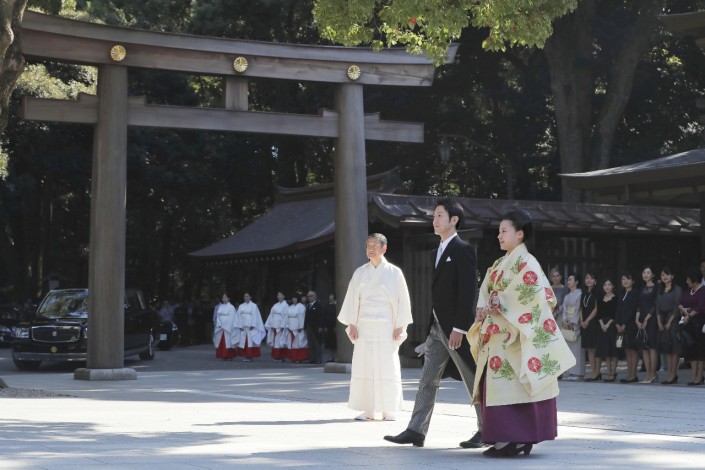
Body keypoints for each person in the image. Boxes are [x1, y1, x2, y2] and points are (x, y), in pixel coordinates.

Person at [468, 209, 574, 457]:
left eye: (504, 231)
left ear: (520, 234)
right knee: (502, 386)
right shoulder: (499, 264)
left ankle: (516, 439)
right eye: (498, 232)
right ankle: (507, 438)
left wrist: (500, 303)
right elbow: (485, 290)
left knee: (518, 383)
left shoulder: (528, 262)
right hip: (498, 334)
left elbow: (537, 296)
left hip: (516, 334)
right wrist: (483, 307)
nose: (499, 236)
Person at [385, 198, 482, 449]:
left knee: (472, 378)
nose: (434, 220)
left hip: (456, 330)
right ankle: (416, 430)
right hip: (437, 328)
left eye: (440, 215)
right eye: (434, 215)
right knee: (427, 379)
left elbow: (468, 292)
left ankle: (487, 428)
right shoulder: (436, 251)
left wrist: (460, 328)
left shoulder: (463, 249)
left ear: (454, 220)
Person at [338, 233, 413, 421]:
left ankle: (389, 409)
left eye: (374, 245)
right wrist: (352, 323)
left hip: (386, 324)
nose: (370, 249)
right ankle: (368, 409)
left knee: (387, 365)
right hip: (364, 325)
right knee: (364, 365)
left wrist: (400, 325)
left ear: (384, 248)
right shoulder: (359, 273)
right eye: (367, 245)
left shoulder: (394, 272)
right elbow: (352, 299)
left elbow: (402, 300)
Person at [678, 267, 705, 385]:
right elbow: (680, 302)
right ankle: (693, 375)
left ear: (694, 279)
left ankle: (700, 375)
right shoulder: (688, 290)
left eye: (688, 279)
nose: (687, 281)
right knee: (691, 350)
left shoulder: (703, 290)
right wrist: (683, 310)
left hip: (698, 323)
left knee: (700, 350)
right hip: (688, 323)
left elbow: (701, 307)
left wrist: (689, 315)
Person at [656, 267, 682, 384]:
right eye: (662, 275)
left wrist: (669, 322)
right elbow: (657, 306)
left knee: (674, 347)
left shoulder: (677, 289)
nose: (665, 277)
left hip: (673, 320)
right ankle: (668, 374)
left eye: (667, 274)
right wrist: (659, 321)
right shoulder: (660, 290)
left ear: (672, 276)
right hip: (662, 319)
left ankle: (673, 373)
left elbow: (676, 306)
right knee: (666, 347)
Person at [557, 273, 583, 380]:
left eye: (571, 280)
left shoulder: (580, 294)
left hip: (575, 323)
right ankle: (570, 372)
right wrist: (564, 321)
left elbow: (578, 309)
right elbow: (564, 309)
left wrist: (573, 322)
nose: (568, 282)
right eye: (568, 280)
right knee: (568, 349)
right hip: (567, 321)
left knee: (577, 349)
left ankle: (578, 373)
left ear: (576, 282)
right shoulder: (567, 296)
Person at [615, 272, 639, 383]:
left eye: (628, 279)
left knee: (633, 349)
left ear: (633, 281)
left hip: (631, 325)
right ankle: (629, 374)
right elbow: (618, 309)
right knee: (626, 349)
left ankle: (633, 374)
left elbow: (632, 310)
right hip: (620, 326)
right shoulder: (621, 293)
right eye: (623, 279)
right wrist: (617, 323)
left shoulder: (635, 293)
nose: (625, 281)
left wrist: (624, 324)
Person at [636, 266, 658, 383]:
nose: (646, 274)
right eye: (644, 272)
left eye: (648, 272)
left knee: (652, 346)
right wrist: (637, 319)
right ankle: (647, 374)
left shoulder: (656, 287)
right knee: (644, 347)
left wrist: (647, 318)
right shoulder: (641, 288)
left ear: (652, 275)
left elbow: (655, 304)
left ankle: (653, 374)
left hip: (652, 319)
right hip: (641, 319)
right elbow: (639, 305)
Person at [593, 278, 618, 382]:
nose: (607, 287)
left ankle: (613, 372)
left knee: (613, 350)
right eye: (605, 285)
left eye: (609, 285)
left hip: (612, 325)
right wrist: (602, 324)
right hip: (602, 325)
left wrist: (607, 324)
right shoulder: (600, 298)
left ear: (613, 286)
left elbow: (615, 313)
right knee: (606, 350)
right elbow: (598, 313)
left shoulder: (616, 298)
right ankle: (608, 372)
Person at [234, 293, 266, 362]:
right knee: (244, 341)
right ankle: (246, 355)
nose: (246, 297)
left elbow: (256, 316)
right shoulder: (241, 306)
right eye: (245, 296)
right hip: (243, 326)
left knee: (250, 341)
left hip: (251, 326)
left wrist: (253, 325)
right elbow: (238, 316)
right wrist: (239, 325)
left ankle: (250, 356)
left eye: (247, 296)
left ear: (250, 297)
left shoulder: (254, 306)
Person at [580, 272, 600, 381]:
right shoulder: (583, 293)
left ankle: (597, 372)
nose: (589, 280)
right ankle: (593, 372)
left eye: (591, 278)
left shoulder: (597, 293)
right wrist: (582, 320)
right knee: (589, 349)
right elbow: (581, 308)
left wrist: (587, 320)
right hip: (584, 323)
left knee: (595, 348)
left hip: (593, 322)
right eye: (587, 278)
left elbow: (596, 309)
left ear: (595, 281)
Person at [265, 292, 289, 361]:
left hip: (281, 324)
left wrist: (283, 326)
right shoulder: (275, 305)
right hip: (274, 324)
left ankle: (282, 356)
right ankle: (276, 355)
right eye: (278, 295)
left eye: (280, 295)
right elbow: (271, 315)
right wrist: (271, 324)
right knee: (275, 340)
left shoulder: (286, 305)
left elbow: (286, 316)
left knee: (281, 340)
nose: (279, 296)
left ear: (284, 296)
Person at [212, 293, 237, 360]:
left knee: (228, 341)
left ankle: (229, 355)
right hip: (220, 326)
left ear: (229, 298)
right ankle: (223, 355)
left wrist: (225, 325)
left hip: (227, 327)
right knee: (220, 340)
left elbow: (232, 318)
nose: (224, 299)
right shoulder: (220, 307)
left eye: (225, 297)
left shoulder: (231, 307)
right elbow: (218, 316)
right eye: (223, 297)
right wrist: (219, 324)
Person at [285, 295, 309, 362]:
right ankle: (293, 357)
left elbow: (302, 317)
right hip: (291, 326)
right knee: (292, 342)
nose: (294, 299)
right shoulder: (290, 307)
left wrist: (300, 326)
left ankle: (300, 357)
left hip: (298, 326)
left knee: (299, 342)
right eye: (293, 298)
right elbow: (286, 317)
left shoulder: (301, 306)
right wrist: (287, 326)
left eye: (295, 298)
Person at [305, 291, 324, 364]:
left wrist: (320, 326)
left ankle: (318, 359)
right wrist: (305, 327)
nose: (309, 298)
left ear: (315, 297)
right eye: (308, 296)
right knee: (310, 343)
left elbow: (321, 316)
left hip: (316, 327)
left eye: (311, 296)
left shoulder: (318, 305)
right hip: (309, 327)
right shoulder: (308, 306)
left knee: (317, 343)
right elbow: (306, 317)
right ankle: (312, 358)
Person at [324, 293, 338, 362]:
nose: (331, 297)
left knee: (335, 343)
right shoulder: (327, 305)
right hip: (328, 325)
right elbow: (325, 315)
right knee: (330, 343)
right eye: (329, 296)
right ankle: (332, 357)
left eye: (332, 296)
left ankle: (336, 357)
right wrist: (325, 326)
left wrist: (336, 326)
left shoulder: (336, 305)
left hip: (334, 325)